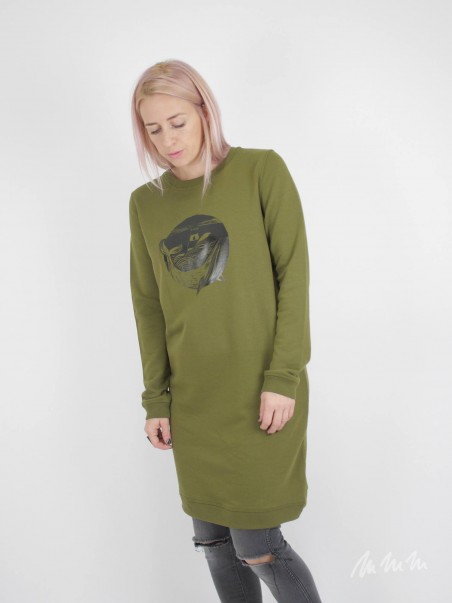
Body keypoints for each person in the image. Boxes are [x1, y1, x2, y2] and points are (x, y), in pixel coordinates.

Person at [129, 59, 323, 603]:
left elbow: (294, 278)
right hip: (194, 400)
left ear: (204, 112)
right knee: (214, 543)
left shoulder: (261, 171)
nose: (168, 140)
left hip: (260, 391)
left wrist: (283, 377)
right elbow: (149, 306)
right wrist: (156, 399)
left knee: (258, 546)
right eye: (153, 129)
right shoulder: (145, 203)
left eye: (178, 122)